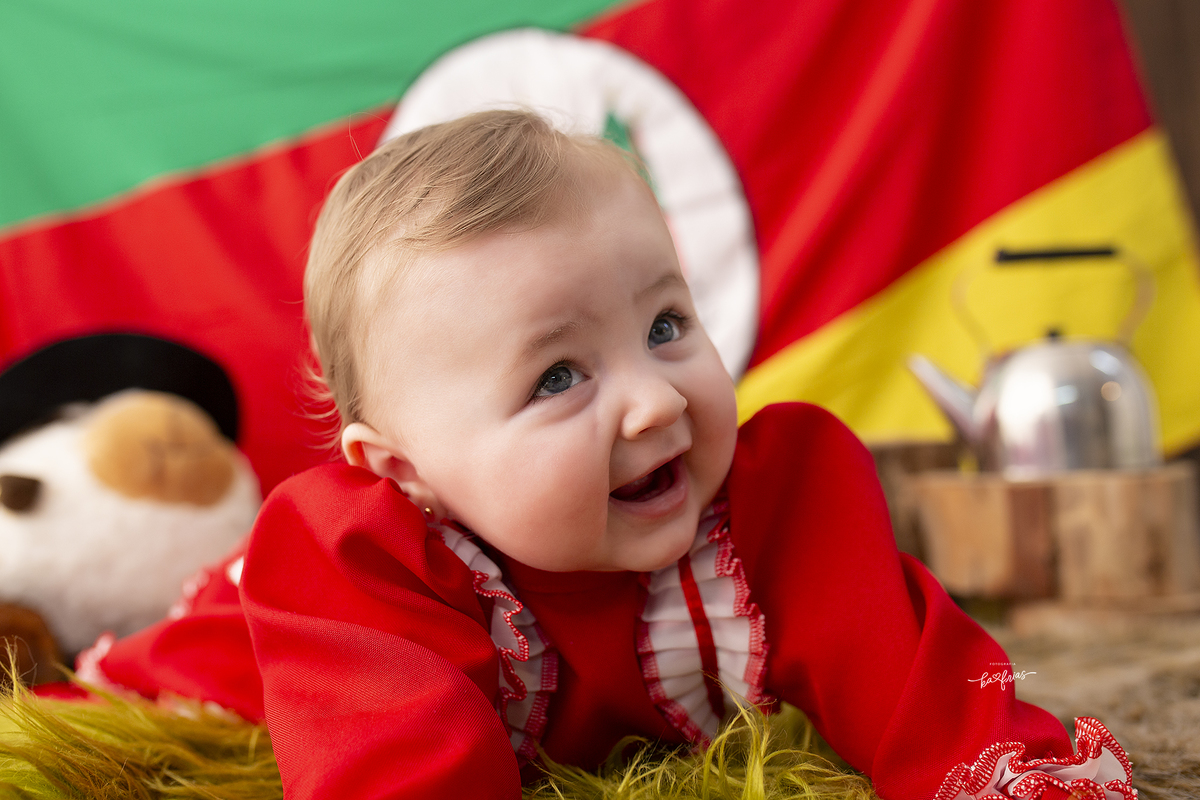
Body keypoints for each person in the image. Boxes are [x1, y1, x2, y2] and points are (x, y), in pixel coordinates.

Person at [88, 109, 1135, 800]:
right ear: (403, 467)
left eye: (666, 323)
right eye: (557, 377)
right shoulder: (351, 556)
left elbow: (926, 691)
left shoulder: (782, 495)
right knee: (115, 711)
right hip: (223, 659)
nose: (650, 400)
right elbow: (394, 773)